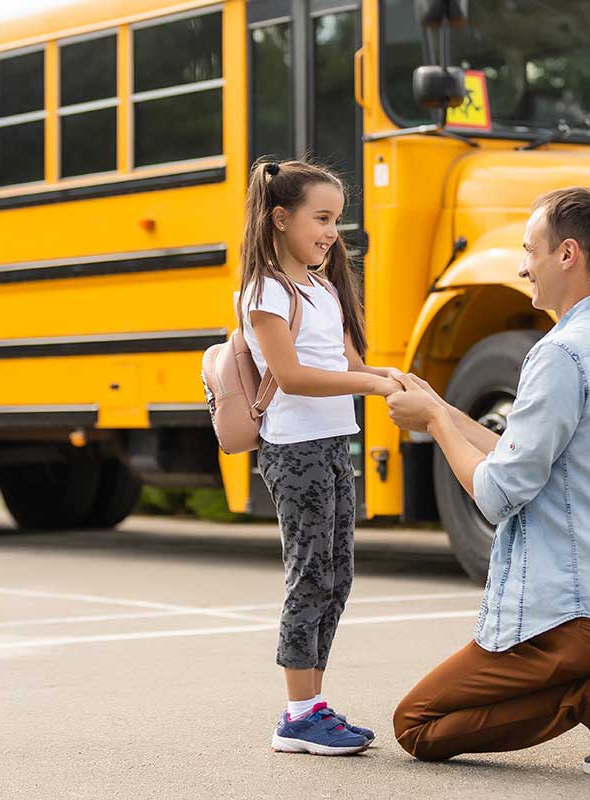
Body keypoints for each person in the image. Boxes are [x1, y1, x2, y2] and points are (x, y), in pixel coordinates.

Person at [386, 187, 590, 776]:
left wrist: (432, 422)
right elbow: (527, 455)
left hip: (589, 616)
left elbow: (496, 493)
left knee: (416, 724)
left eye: (530, 250)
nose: (521, 264)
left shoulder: (561, 354)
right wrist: (443, 407)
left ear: (567, 255)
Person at [240, 159, 402, 756]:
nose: (332, 232)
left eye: (337, 220)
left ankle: (313, 705)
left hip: (334, 445)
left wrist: (390, 377)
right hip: (295, 450)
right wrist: (372, 387)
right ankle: (297, 714)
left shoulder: (324, 287)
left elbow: (350, 367)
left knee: (337, 576)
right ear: (281, 219)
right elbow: (291, 376)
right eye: (322, 218)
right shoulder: (265, 291)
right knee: (308, 575)